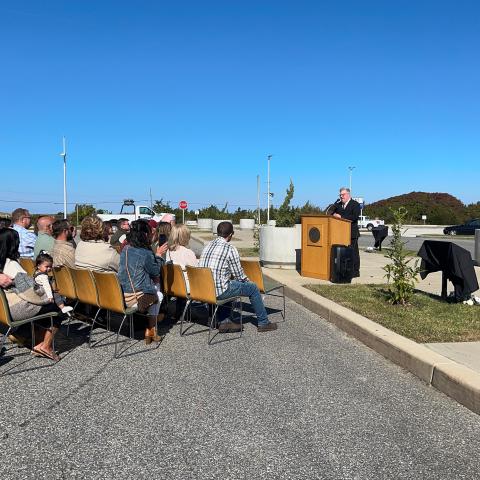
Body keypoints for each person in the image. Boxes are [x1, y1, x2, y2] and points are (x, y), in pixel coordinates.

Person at [199, 221, 277, 333]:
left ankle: (221, 319)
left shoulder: (208, 245)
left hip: (204, 290)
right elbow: (239, 275)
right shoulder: (230, 249)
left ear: (217, 233)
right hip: (218, 291)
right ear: (231, 234)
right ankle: (264, 323)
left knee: (227, 284)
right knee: (253, 288)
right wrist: (248, 282)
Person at [0, 227, 65, 361]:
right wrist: (49, 296)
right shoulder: (13, 265)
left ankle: (24, 336)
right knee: (58, 308)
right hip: (16, 308)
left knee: (45, 309)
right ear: (14, 244)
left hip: (5, 307)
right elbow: (31, 294)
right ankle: (44, 346)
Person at [118, 220, 168, 344]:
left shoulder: (126, 248)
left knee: (155, 286)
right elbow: (156, 271)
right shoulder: (145, 252)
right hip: (134, 298)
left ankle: (151, 330)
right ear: (145, 235)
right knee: (159, 293)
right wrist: (159, 254)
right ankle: (151, 329)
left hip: (121, 294)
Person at [331, 187, 361, 277]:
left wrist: (341, 216)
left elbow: (355, 216)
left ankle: (355, 271)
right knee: (343, 253)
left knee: (354, 253)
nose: (341, 196)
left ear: (348, 194)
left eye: (343, 195)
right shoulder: (338, 204)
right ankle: (344, 269)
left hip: (352, 233)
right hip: (340, 233)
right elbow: (331, 212)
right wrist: (333, 214)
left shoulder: (355, 204)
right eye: (340, 195)